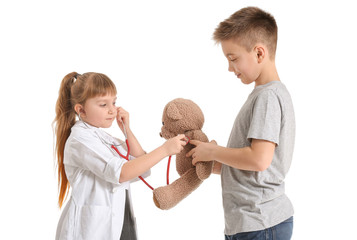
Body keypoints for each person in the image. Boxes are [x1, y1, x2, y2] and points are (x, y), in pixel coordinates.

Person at [187, 7, 295, 240]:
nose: (229, 68)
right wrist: (214, 161)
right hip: (252, 222)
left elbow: (259, 159)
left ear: (259, 53)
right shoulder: (264, 95)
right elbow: (256, 166)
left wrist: (214, 150)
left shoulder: (267, 97)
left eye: (233, 58)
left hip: (260, 221)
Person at [53, 72, 187, 240]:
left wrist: (126, 130)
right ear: (81, 110)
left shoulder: (105, 139)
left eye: (114, 102)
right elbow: (122, 173)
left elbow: (141, 167)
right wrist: (165, 150)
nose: (112, 110)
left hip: (121, 224)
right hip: (92, 230)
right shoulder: (80, 140)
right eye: (103, 104)